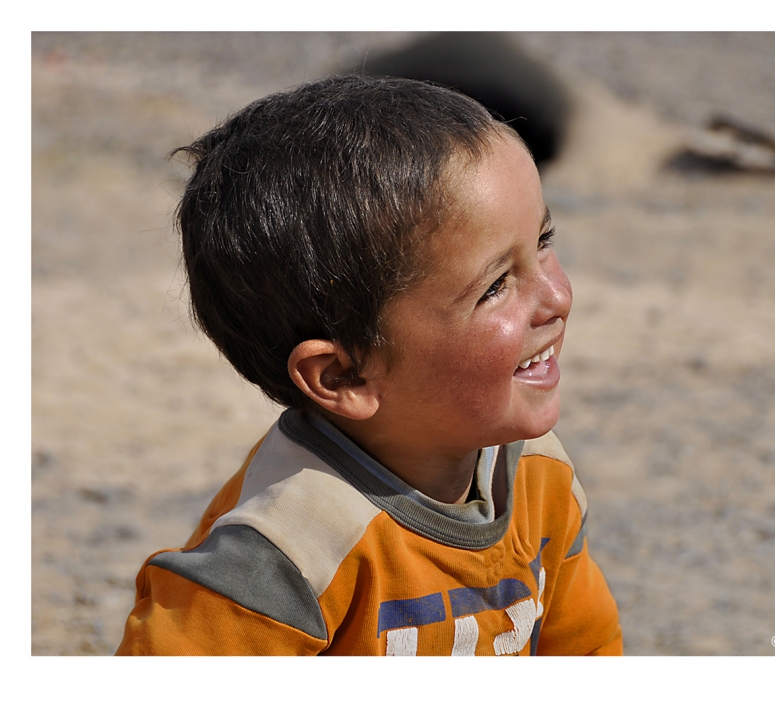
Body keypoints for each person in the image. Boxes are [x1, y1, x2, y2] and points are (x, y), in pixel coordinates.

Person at [116, 75, 622, 656]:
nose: (557, 297)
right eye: (496, 286)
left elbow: (586, 649)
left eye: (544, 240)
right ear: (345, 376)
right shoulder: (282, 560)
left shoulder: (536, 474)